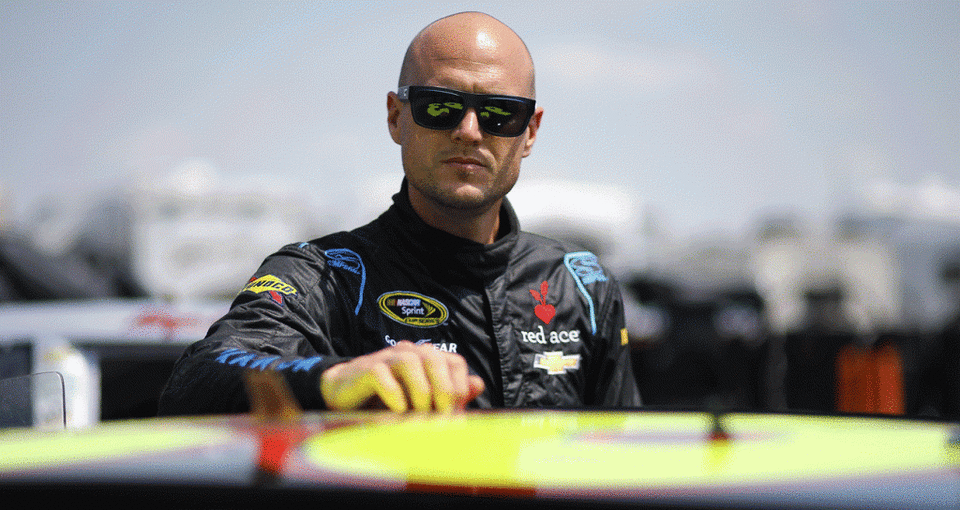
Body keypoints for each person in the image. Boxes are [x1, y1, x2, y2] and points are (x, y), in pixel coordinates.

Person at [158, 12, 641, 415]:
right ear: (396, 117)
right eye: (440, 106)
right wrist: (338, 377)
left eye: (499, 113)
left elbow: (624, 457)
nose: (470, 131)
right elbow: (195, 380)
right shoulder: (327, 275)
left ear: (530, 132)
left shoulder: (582, 283)